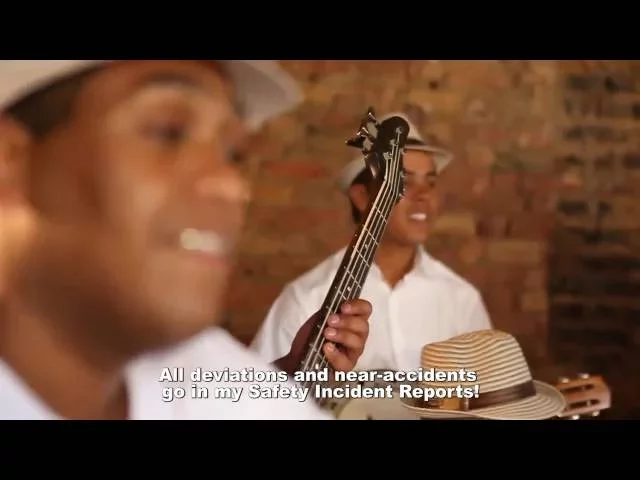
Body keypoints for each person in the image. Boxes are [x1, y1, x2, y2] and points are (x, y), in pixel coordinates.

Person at [0, 60, 372, 420]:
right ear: (10, 161)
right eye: (168, 132)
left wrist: (293, 369)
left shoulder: (199, 369)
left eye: (233, 153)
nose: (231, 184)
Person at [251, 112, 492, 373]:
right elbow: (257, 393)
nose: (423, 195)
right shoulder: (305, 298)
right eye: (404, 182)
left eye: (430, 183)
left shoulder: (462, 299)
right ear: (361, 197)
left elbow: (489, 393)